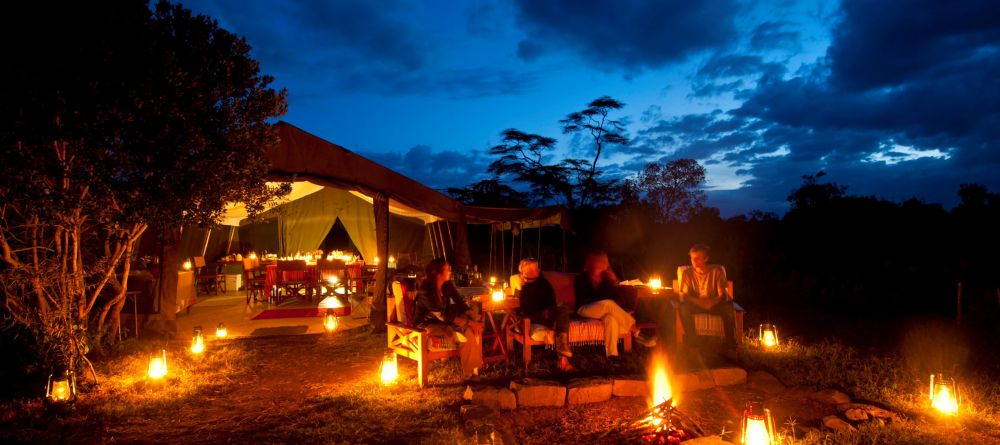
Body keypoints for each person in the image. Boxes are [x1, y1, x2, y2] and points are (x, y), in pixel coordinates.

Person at [574, 251, 656, 359]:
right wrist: (603, 301)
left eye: (604, 262)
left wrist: (614, 281)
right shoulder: (581, 278)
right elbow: (585, 298)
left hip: (603, 309)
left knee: (611, 318)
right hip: (584, 308)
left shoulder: (606, 279)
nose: (603, 264)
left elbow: (615, 297)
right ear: (592, 263)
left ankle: (612, 355)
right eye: (600, 261)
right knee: (608, 304)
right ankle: (636, 332)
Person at [413, 258, 484, 381]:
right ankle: (469, 374)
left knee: (469, 330)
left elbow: (459, 301)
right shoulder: (426, 291)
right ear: (438, 274)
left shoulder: (447, 285)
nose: (450, 271)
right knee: (465, 330)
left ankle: (472, 371)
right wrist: (470, 322)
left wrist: (471, 315)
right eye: (447, 269)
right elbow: (443, 316)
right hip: (426, 326)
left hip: (442, 322)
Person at [516, 258, 577, 372]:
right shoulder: (521, 285)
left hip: (547, 313)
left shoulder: (542, 282)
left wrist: (549, 312)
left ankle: (563, 359)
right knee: (559, 316)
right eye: (532, 269)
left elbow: (552, 300)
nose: (537, 270)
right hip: (533, 316)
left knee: (562, 308)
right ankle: (564, 360)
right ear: (524, 271)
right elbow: (522, 308)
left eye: (536, 268)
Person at [677, 243, 736, 351]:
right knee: (683, 307)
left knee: (728, 308)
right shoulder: (687, 273)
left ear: (706, 258)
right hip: (696, 304)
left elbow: (722, 295)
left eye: (697, 258)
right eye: (692, 258)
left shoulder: (716, 272)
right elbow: (685, 295)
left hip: (714, 304)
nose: (694, 261)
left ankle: (730, 345)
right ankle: (693, 342)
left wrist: (711, 303)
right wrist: (700, 302)